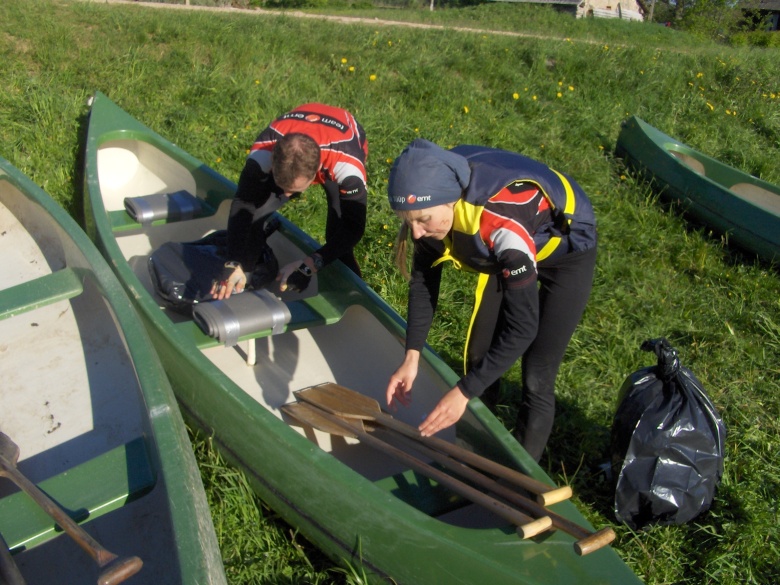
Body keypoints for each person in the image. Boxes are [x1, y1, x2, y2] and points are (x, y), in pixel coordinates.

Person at [385, 139, 597, 462]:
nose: (415, 232)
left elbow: (523, 328)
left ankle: (518, 478)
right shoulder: (430, 207)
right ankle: (475, 452)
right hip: (504, 246)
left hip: (566, 248)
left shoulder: (501, 229)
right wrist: (411, 356)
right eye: (407, 220)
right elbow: (424, 284)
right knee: (479, 355)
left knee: (537, 374)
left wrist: (462, 392)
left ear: (451, 201)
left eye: (423, 220)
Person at [211, 103, 368, 299]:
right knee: (257, 214)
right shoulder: (262, 152)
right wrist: (233, 261)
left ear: (317, 172)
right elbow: (243, 204)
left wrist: (310, 265)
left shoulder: (348, 169)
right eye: (282, 185)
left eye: (294, 191)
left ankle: (354, 297)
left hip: (342, 142)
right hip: (293, 136)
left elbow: (354, 228)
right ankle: (244, 278)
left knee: (337, 233)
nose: (286, 195)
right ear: (273, 162)